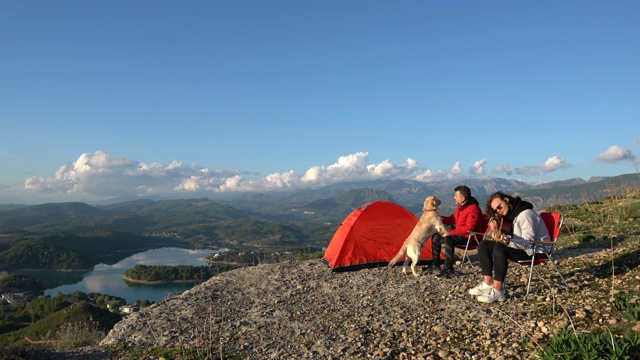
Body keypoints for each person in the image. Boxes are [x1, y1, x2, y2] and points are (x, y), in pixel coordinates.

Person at [468, 191, 550, 303]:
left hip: (536, 251)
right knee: (484, 245)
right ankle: (488, 282)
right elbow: (513, 235)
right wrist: (497, 230)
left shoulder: (525, 215)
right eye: (496, 210)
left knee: (499, 248)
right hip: (523, 248)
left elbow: (528, 243)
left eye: (499, 207)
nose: (498, 211)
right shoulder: (512, 215)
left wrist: (505, 240)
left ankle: (498, 291)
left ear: (506, 200)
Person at [424, 185, 485, 278]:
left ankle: (448, 268)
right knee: (436, 236)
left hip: (471, 238)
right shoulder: (460, 208)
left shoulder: (473, 209)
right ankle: (435, 265)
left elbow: (470, 227)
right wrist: (437, 217)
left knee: (449, 238)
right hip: (461, 235)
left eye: (456, 195)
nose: (454, 197)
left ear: (463, 198)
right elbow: (452, 219)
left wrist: (451, 232)